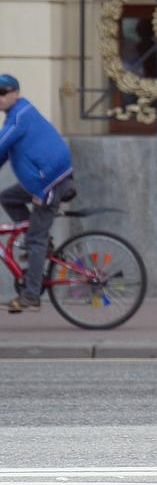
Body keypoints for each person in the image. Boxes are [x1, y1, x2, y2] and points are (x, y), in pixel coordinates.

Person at [0, 74, 76, 313]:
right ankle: (42, 244)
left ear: (16, 93)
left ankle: (30, 296)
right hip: (40, 181)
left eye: (4, 92)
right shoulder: (14, 116)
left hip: (50, 182)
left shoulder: (20, 115)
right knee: (7, 197)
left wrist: (42, 189)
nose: (0, 97)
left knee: (34, 238)